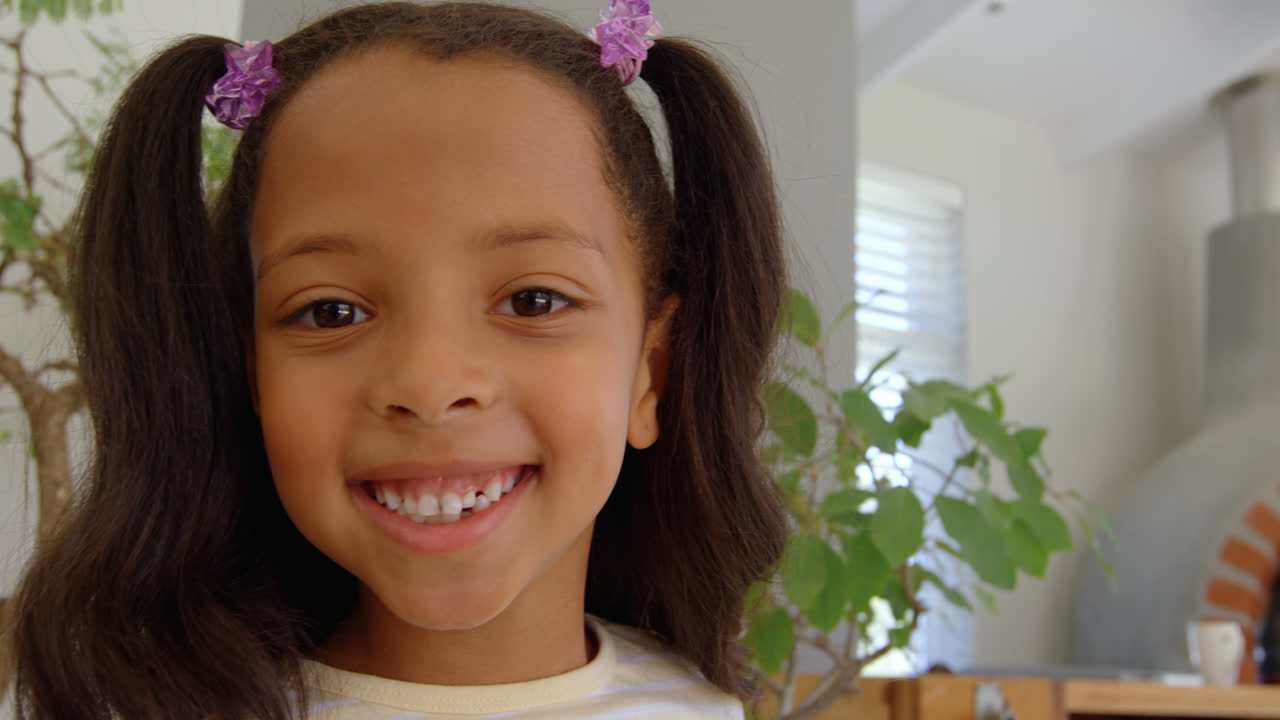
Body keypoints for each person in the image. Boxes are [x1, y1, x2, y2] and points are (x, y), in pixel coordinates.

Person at [10, 2, 787, 718]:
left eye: (534, 302)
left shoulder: (701, 704)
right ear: (250, 374)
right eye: (331, 312)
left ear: (653, 373)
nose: (429, 384)